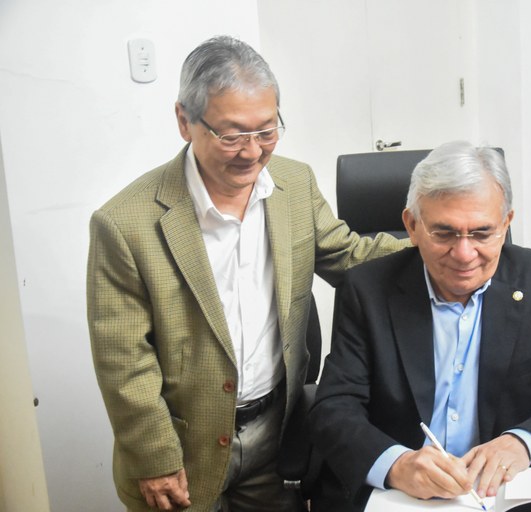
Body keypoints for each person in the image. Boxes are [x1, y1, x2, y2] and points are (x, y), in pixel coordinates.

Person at [86, 35, 407, 512]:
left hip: (276, 435)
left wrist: (439, 243)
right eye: (232, 135)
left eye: (267, 131)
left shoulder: (294, 184)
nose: (252, 152)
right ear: (184, 121)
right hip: (182, 448)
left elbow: (348, 256)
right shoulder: (125, 224)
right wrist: (155, 457)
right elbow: (123, 360)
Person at [309, 140, 531, 512]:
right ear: (412, 226)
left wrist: (523, 443)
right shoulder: (367, 290)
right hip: (401, 499)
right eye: (444, 233)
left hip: (503, 495)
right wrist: (396, 464)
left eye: (481, 233)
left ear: (506, 224)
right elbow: (334, 408)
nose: (464, 254)